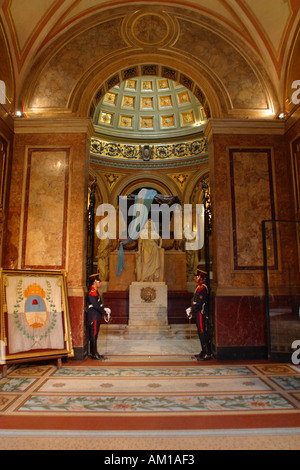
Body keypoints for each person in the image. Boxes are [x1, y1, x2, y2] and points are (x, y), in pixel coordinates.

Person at [186, 266, 211, 361]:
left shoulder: (203, 288)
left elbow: (200, 303)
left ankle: (207, 353)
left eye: (197, 276)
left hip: (201, 313)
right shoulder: (198, 288)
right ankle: (203, 351)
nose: (195, 278)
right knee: (200, 332)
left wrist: (191, 309)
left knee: (202, 332)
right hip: (198, 312)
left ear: (201, 277)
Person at [86, 274, 111, 360]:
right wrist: (104, 310)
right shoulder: (92, 292)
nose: (100, 283)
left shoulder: (95, 291)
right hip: (94, 315)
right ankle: (94, 353)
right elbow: (96, 305)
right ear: (94, 282)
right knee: (93, 334)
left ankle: (94, 352)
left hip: (96, 314)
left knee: (95, 334)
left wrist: (104, 309)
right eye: (98, 282)